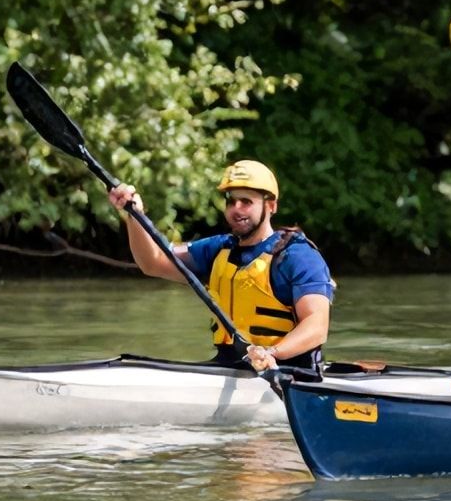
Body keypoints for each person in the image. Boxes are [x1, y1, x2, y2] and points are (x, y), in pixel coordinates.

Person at [107, 159, 333, 372]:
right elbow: (153, 262)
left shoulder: (297, 256)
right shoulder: (218, 249)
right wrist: (134, 216)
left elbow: (316, 326)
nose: (236, 208)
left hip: (289, 371)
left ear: (271, 206)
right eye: (231, 201)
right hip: (228, 366)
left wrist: (271, 353)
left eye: (246, 202)